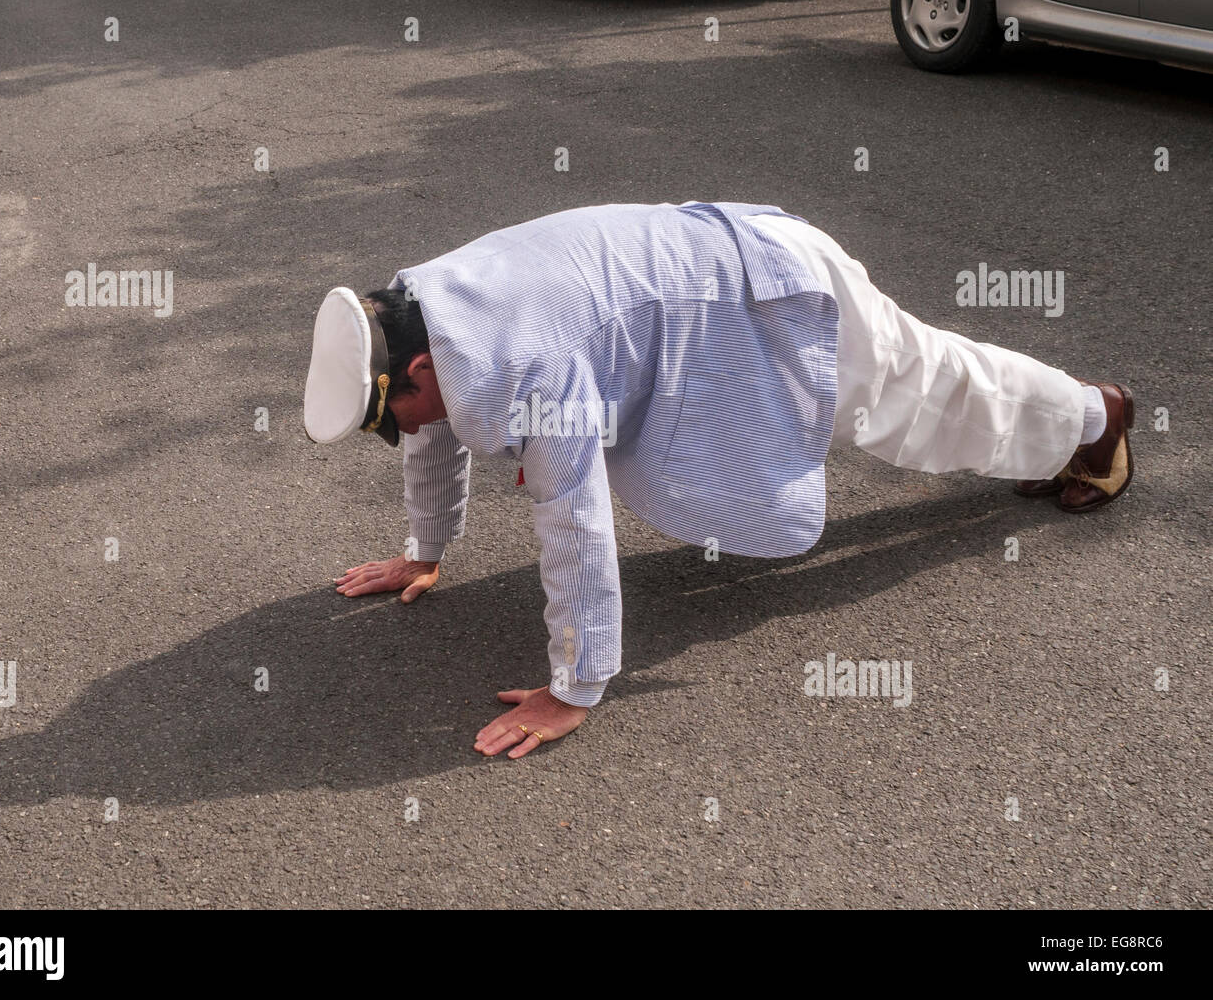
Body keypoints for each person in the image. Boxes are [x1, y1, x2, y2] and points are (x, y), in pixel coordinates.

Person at [302, 202, 1134, 759]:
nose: (398, 436)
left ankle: (1097, 419)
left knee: (918, 401)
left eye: (387, 419)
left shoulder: (529, 366)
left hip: (770, 293)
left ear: (412, 367)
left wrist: (574, 687)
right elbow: (434, 424)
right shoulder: (419, 313)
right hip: (711, 277)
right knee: (926, 395)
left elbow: (573, 516)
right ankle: (1072, 427)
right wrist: (424, 550)